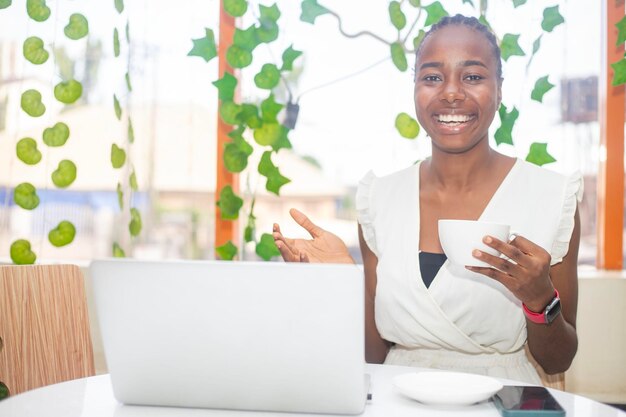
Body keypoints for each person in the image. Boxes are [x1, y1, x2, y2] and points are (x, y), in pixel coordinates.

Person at [272, 14, 581, 384]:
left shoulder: (551, 197)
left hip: (501, 400)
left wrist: (540, 299)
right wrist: (341, 284)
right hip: (397, 398)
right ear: (415, 89)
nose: (451, 93)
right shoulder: (380, 200)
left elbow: (557, 361)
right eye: (432, 77)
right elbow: (374, 355)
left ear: (499, 89)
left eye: (473, 76)